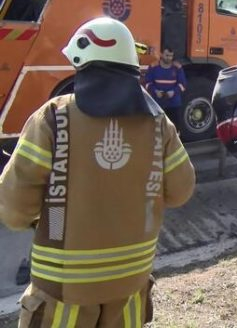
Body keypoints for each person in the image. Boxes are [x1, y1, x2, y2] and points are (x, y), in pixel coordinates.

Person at [0, 17, 196, 327]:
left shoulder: (53, 118)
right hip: (131, 284)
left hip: (63, 289)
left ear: (82, 63)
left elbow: (12, 210)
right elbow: (182, 189)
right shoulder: (158, 124)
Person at [144, 47, 186, 131]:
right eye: (167, 55)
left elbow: (183, 85)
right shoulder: (153, 67)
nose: (169, 58)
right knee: (157, 129)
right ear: (161, 54)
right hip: (157, 103)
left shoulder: (177, 67)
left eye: (171, 56)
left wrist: (173, 92)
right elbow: (147, 83)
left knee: (174, 129)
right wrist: (155, 91)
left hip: (174, 104)